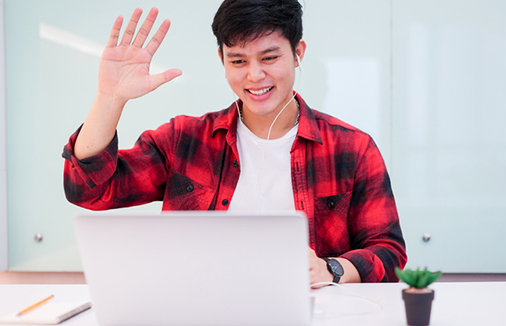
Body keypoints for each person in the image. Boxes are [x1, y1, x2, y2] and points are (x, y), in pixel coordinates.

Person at [62, 0, 406, 286]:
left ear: (298, 52)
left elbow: (389, 254)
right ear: (221, 60)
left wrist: (330, 269)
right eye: (238, 61)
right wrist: (110, 98)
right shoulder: (185, 140)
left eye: (269, 58)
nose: (254, 76)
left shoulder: (352, 149)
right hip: (198, 312)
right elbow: (89, 190)